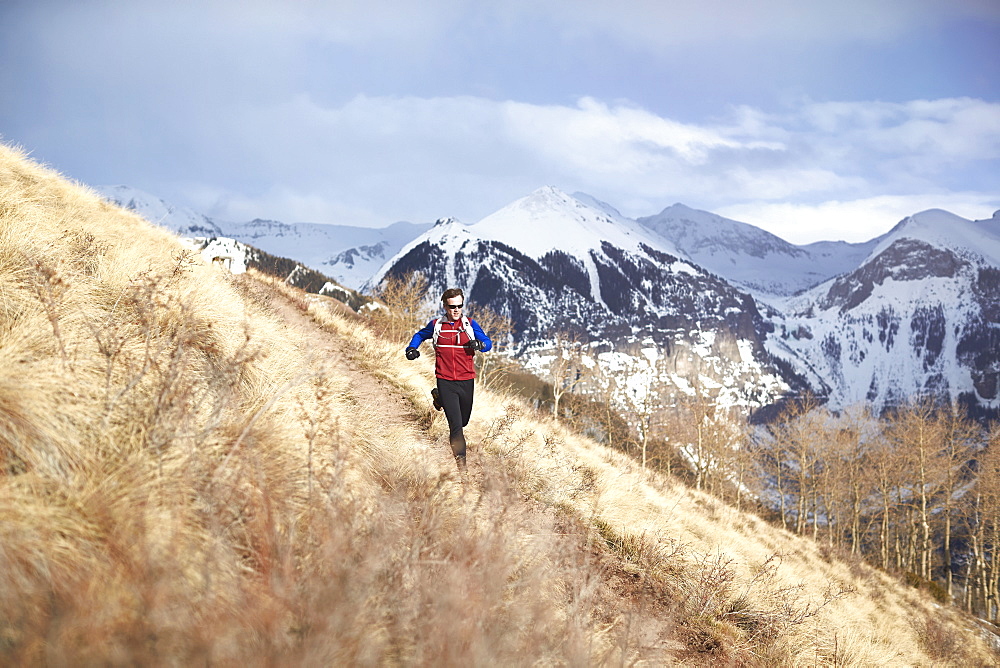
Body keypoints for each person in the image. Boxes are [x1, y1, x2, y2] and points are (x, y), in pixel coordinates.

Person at [405, 288, 492, 471]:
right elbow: (420, 335)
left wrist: (479, 344)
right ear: (445, 306)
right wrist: (411, 348)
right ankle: (463, 470)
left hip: (466, 380)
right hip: (445, 379)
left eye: (460, 306)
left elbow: (488, 343)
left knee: (463, 421)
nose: (456, 310)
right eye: (452, 306)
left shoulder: (470, 325)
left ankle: (439, 398)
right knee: (455, 427)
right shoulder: (437, 325)